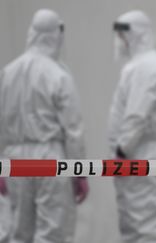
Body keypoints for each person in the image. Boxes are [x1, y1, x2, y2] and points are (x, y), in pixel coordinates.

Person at [0, 9, 88, 243]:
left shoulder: (8, 73)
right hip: (50, 159)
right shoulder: (58, 75)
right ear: (55, 35)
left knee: (18, 232)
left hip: (14, 160)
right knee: (52, 233)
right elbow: (73, 130)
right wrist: (79, 172)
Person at [108, 10, 156, 243]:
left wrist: (121, 152)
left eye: (122, 35)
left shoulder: (145, 68)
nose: (119, 41)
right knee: (140, 225)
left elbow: (136, 116)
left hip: (138, 156)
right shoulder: (147, 65)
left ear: (135, 35)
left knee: (144, 229)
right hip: (142, 154)